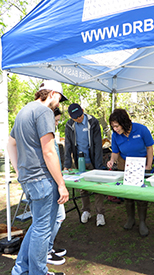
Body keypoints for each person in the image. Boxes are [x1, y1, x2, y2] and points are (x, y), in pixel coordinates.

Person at [7, 80, 69, 275]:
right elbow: (49, 151)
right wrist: (61, 184)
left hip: (29, 179)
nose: (59, 103)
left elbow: (10, 144)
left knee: (36, 226)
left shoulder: (23, 111)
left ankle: (21, 270)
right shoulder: (44, 112)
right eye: (59, 97)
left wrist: (19, 171)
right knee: (42, 230)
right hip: (43, 179)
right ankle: (38, 272)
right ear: (51, 93)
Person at [107, 109, 154, 237]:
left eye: (116, 126)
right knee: (127, 192)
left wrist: (149, 165)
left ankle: (142, 222)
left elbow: (150, 147)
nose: (115, 129)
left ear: (124, 122)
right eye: (113, 126)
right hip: (125, 163)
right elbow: (115, 152)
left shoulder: (141, 129)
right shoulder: (115, 135)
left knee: (141, 193)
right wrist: (112, 161)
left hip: (141, 162)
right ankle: (130, 219)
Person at [64, 103, 105, 226]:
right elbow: (68, 145)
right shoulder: (69, 125)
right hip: (79, 161)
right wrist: (67, 164)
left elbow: (98, 145)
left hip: (93, 160)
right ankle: (86, 210)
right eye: (75, 118)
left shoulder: (93, 122)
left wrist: (98, 166)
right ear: (71, 117)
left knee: (97, 187)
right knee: (83, 188)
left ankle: (100, 213)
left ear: (83, 111)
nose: (79, 119)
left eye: (80, 116)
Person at [47, 108, 67, 265]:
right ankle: (46, 251)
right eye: (55, 120)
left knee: (57, 217)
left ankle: (48, 247)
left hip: (54, 181)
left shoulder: (51, 135)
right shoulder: (44, 136)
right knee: (56, 217)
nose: (57, 123)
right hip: (49, 183)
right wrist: (60, 183)